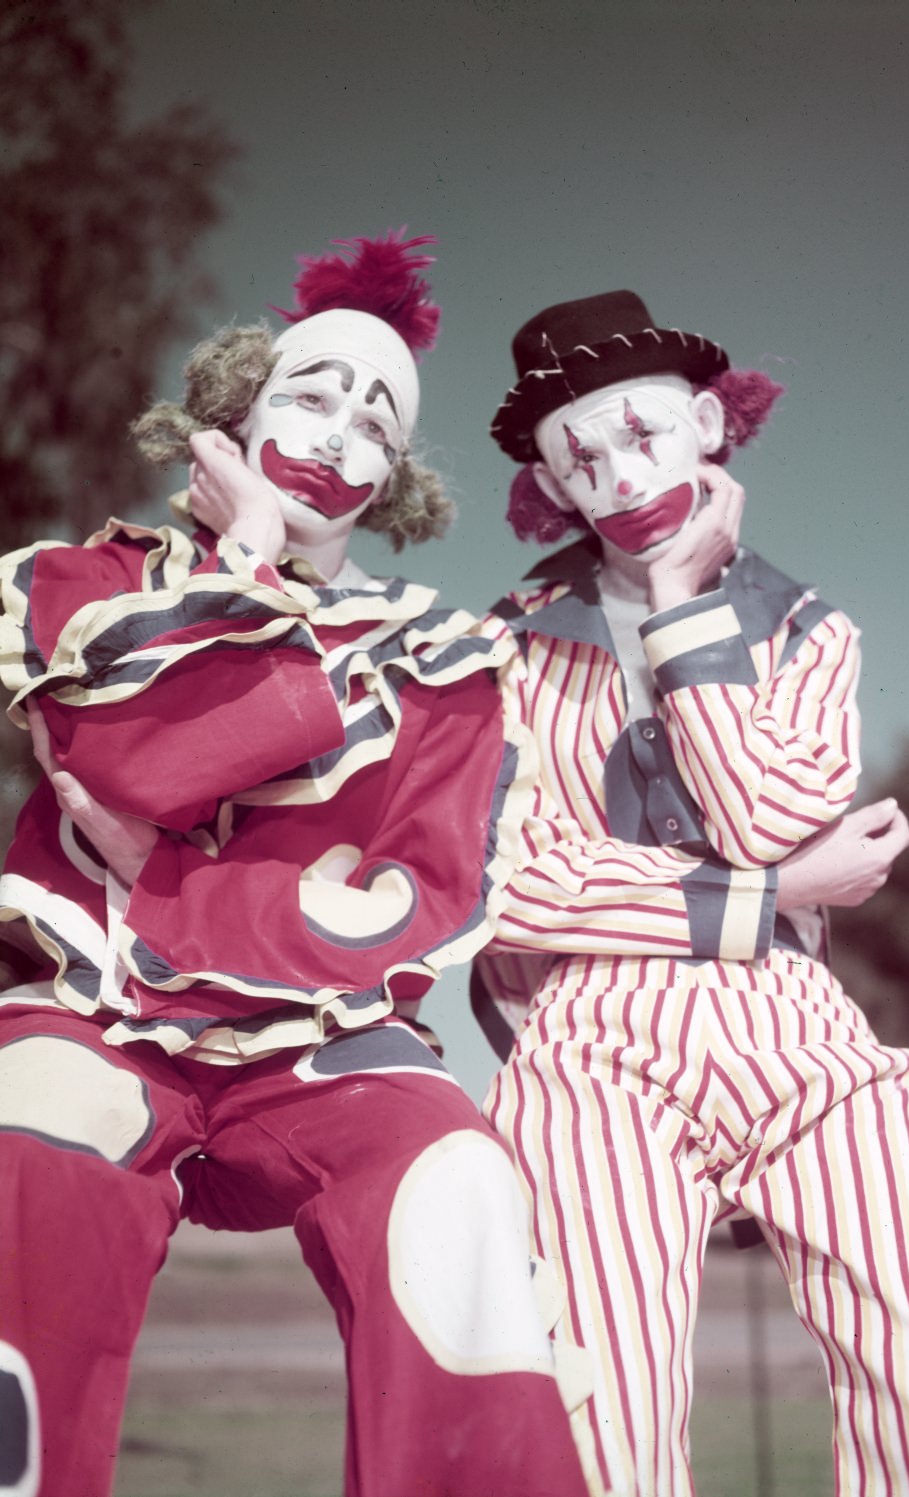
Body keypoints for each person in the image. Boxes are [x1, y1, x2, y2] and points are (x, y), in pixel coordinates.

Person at [0, 234, 592, 1497]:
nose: (337, 433)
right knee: (30, 1151)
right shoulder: (83, 585)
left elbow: (414, 911)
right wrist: (248, 554)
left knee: (460, 1182)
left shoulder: (446, 658)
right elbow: (133, 763)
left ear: (391, 481)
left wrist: (152, 884)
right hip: (90, 1019)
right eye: (310, 393)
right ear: (230, 415)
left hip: (321, 1050)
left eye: (375, 421)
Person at [473, 290, 909, 1496]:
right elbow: (509, 881)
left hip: (799, 1029)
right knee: (600, 1394)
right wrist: (776, 893)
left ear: (705, 424)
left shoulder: (808, 630)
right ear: (553, 480)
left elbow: (768, 814)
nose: (619, 475)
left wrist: (687, 614)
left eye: (641, 434)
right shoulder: (510, 645)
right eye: (580, 458)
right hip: (590, 1039)